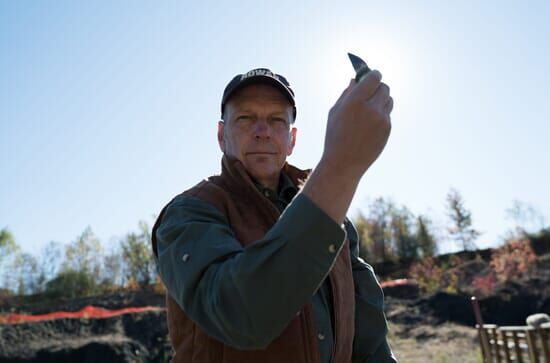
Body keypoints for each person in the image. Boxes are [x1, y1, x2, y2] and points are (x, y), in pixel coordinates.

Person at [152, 66, 396, 363]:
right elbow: (239, 315)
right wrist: (341, 164)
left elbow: (368, 340)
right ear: (221, 135)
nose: (262, 132)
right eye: (245, 118)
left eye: (276, 120)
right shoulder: (190, 213)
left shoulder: (334, 218)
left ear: (292, 139)